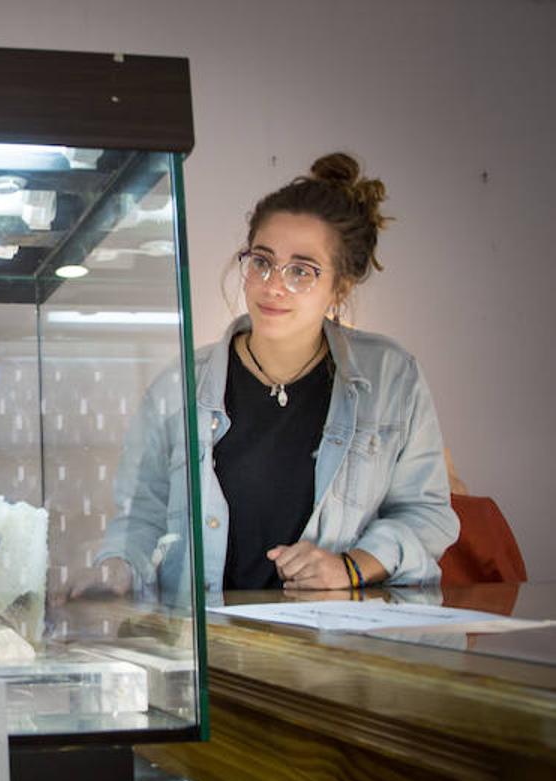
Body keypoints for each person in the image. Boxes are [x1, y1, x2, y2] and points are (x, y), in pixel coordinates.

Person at [90, 153, 459, 600]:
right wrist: (111, 574)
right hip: (209, 634)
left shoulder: (391, 376)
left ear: (340, 287)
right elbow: (139, 519)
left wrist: (350, 567)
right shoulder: (179, 384)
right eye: (261, 261)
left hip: (334, 636)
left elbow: (427, 515)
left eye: (301, 271)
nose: (273, 285)